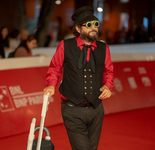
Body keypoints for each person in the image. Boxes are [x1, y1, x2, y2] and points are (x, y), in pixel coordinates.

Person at [43, 6, 114, 150]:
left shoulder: (103, 48)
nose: (93, 28)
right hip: (72, 109)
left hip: (96, 109)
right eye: (88, 25)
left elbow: (108, 71)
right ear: (78, 28)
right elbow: (55, 68)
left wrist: (107, 85)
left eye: (95, 24)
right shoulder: (65, 45)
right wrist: (51, 84)